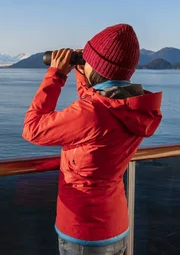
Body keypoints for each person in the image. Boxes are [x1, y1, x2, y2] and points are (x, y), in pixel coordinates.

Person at [22, 23, 163, 255]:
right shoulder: (133, 107)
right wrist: (82, 69)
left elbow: (32, 129)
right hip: (115, 224)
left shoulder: (91, 113)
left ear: (96, 67)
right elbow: (96, 104)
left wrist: (56, 75)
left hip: (83, 230)